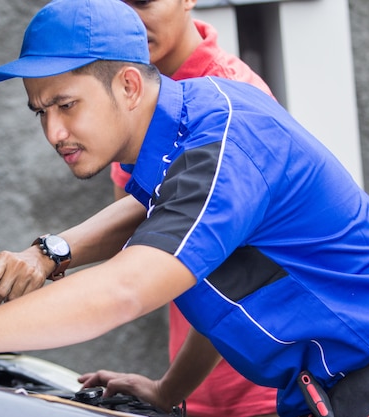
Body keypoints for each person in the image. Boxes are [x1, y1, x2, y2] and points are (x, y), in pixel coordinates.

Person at [0, 1, 369, 416]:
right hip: (328, 396)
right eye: (40, 111)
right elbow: (224, 288)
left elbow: (125, 288)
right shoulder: (175, 145)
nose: (54, 131)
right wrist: (168, 391)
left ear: (129, 85)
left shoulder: (221, 141)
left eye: (67, 104)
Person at [102, 1, 278, 416]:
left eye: (143, 1)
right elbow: (134, 237)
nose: (130, 18)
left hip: (269, 388)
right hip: (197, 388)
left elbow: (230, 275)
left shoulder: (235, 97)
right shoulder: (134, 97)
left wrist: (168, 389)